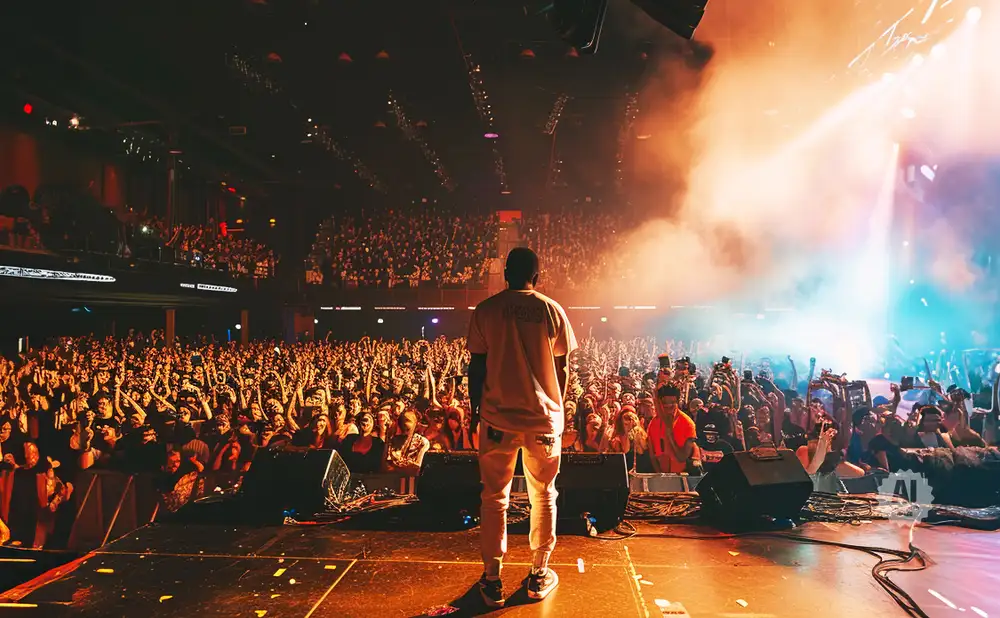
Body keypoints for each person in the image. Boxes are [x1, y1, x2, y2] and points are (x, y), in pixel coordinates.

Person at [467, 247, 577, 607]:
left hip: (497, 418)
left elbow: (477, 367)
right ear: (538, 276)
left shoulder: (486, 311)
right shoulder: (551, 309)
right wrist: (557, 409)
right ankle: (538, 573)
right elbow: (561, 368)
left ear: (505, 275)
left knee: (493, 497)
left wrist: (474, 409)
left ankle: (492, 579)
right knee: (543, 494)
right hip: (543, 419)